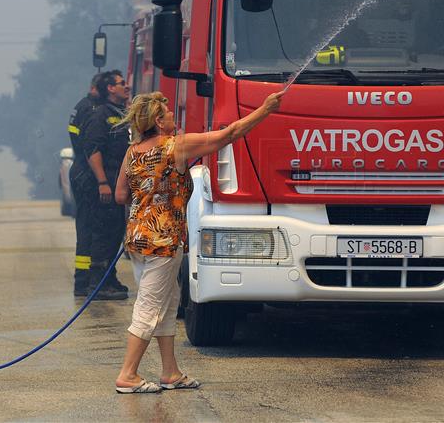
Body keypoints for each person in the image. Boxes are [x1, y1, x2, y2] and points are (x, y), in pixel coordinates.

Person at [112, 89, 283, 394]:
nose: (173, 119)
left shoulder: (132, 151)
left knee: (166, 305)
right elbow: (229, 135)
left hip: (139, 239)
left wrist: (150, 195)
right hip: (163, 242)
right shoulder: (176, 146)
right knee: (149, 307)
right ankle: (128, 374)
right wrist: (266, 110)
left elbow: (120, 195)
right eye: (167, 115)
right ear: (158, 121)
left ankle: (171, 372)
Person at [83, 70, 131, 300]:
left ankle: (109, 279)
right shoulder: (100, 115)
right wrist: (102, 182)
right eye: (122, 83)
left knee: (116, 233)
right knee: (104, 234)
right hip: (107, 184)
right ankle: (97, 283)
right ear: (110, 88)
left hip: (119, 183)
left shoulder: (121, 113)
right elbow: (93, 150)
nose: (127, 86)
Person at [67, 72, 105, 297]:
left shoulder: (80, 106)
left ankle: (81, 280)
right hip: (86, 173)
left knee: (84, 225)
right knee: (90, 227)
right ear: (96, 88)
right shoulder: (91, 109)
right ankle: (84, 281)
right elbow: (89, 146)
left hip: (80, 170)